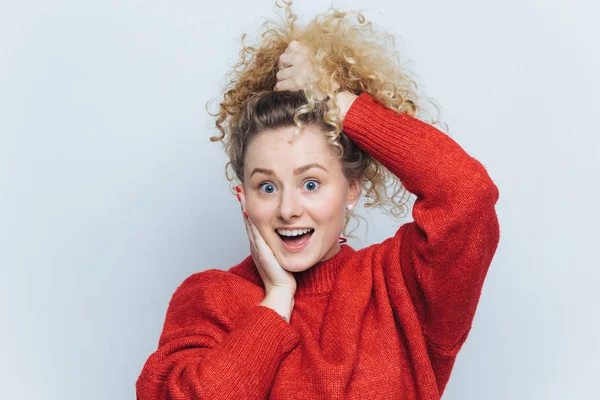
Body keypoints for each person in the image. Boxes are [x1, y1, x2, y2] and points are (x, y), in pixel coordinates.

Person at [136, 3, 500, 399]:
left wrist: (337, 101)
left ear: (352, 188)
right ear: (242, 197)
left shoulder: (399, 287)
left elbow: (467, 195)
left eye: (311, 184)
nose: (289, 209)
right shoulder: (211, 299)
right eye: (267, 187)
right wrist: (275, 303)